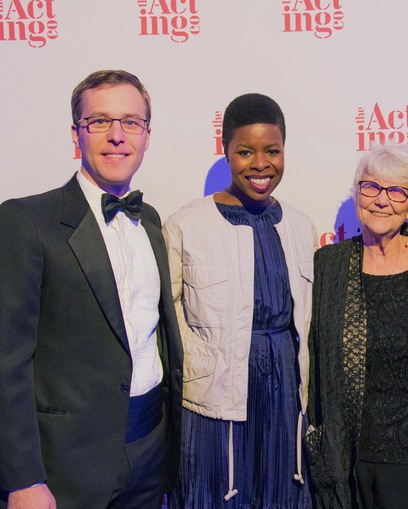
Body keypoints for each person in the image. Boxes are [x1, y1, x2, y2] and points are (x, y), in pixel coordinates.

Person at [0, 69, 183, 509]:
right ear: (75, 134)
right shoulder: (26, 221)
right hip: (66, 465)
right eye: (99, 121)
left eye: (131, 122)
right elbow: (7, 362)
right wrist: (22, 478)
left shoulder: (152, 221)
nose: (117, 135)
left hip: (150, 451)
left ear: (147, 135)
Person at [163, 93, 316, 508]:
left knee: (281, 491)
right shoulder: (185, 224)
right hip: (214, 395)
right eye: (245, 151)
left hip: (285, 388)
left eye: (273, 151)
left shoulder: (302, 225)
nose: (260, 164)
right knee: (215, 493)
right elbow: (171, 321)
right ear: (226, 151)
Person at [306, 143, 408, 509]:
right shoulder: (328, 266)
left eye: (396, 191)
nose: (382, 200)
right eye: (371, 187)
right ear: (356, 193)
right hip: (347, 458)